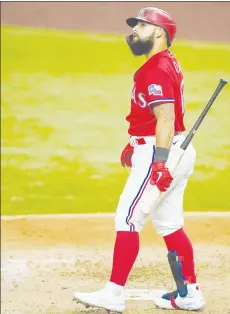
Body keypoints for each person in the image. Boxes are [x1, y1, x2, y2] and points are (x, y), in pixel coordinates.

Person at [73, 7, 205, 313]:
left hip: (161, 153)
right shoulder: (164, 62)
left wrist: (157, 162)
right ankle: (189, 293)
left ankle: (114, 293)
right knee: (170, 224)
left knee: (128, 218)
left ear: (160, 33)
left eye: (142, 26)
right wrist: (135, 142)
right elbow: (155, 117)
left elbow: (166, 117)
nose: (134, 31)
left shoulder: (155, 69)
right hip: (171, 149)